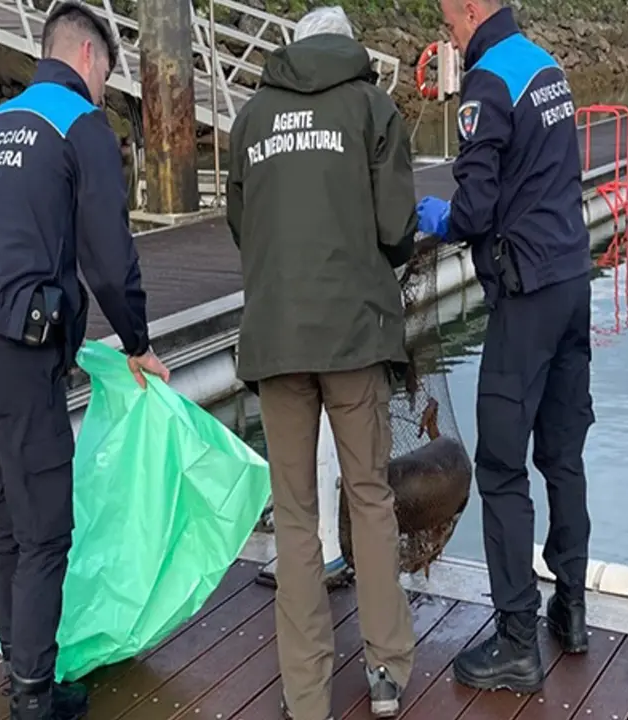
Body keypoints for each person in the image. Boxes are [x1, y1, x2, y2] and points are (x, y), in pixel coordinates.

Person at [0, 1, 168, 717]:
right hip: (12, 346)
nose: (105, 94)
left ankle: (20, 672)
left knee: (1, 522)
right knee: (44, 530)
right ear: (90, 60)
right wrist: (138, 343)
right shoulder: (80, 125)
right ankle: (34, 697)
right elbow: (108, 256)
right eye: (108, 78)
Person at [225, 7, 419, 719]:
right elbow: (396, 228)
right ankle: (387, 671)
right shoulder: (373, 108)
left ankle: (305, 694)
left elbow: (242, 225)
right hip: (353, 336)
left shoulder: (252, 118)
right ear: (349, 47)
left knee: (297, 514)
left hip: (275, 337)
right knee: (369, 496)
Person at [415, 0, 594, 694]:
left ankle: (518, 639)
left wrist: (444, 217)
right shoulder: (548, 69)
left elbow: (477, 209)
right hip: (573, 280)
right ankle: (570, 610)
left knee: (499, 465)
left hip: (524, 297)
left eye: (449, 22)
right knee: (563, 453)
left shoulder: (487, 84)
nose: (450, 35)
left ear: (469, 8)